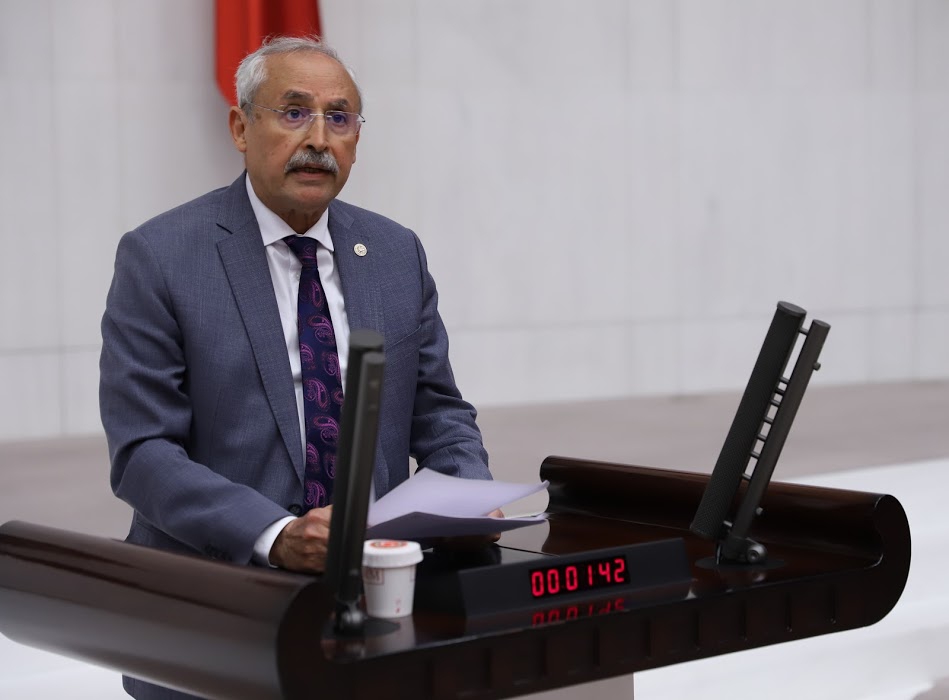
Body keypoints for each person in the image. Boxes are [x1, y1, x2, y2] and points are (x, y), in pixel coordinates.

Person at [100, 31, 491, 659]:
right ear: (240, 127)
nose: (318, 139)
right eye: (293, 112)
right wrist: (276, 534)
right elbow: (143, 452)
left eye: (339, 117)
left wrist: (466, 498)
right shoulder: (162, 257)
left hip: (376, 601)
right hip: (216, 605)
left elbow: (439, 412)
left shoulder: (396, 253)